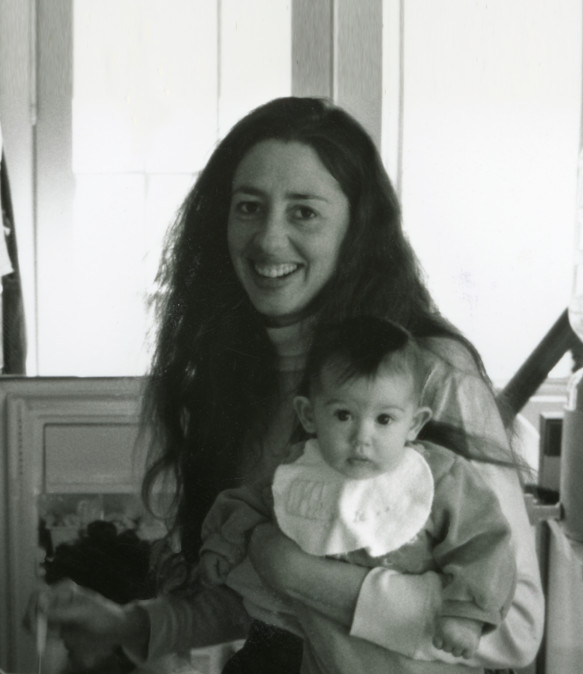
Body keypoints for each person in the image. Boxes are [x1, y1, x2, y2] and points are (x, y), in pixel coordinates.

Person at [37, 96, 544, 674]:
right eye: (249, 208)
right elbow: (259, 600)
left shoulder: (432, 370)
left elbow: (516, 629)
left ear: (356, 230)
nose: (268, 240)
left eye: (304, 212)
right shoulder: (234, 378)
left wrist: (295, 571)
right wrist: (129, 624)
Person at [200, 315, 517, 670]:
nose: (362, 438)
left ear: (414, 423)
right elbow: (249, 504)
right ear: (308, 415)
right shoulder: (301, 471)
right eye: (343, 415)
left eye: (384, 419)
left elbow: (485, 542)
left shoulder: (441, 478)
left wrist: (467, 615)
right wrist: (222, 544)